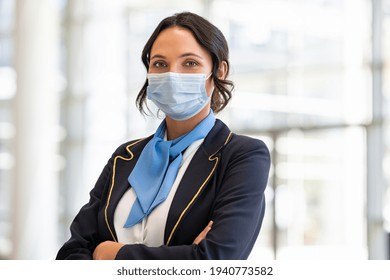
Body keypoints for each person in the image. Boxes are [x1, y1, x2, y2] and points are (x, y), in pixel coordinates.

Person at [56, 11, 270, 260]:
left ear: (219, 71)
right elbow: (71, 253)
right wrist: (182, 254)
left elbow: (215, 260)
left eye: (190, 63)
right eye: (160, 64)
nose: (172, 75)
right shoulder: (125, 157)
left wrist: (110, 254)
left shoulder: (243, 156)